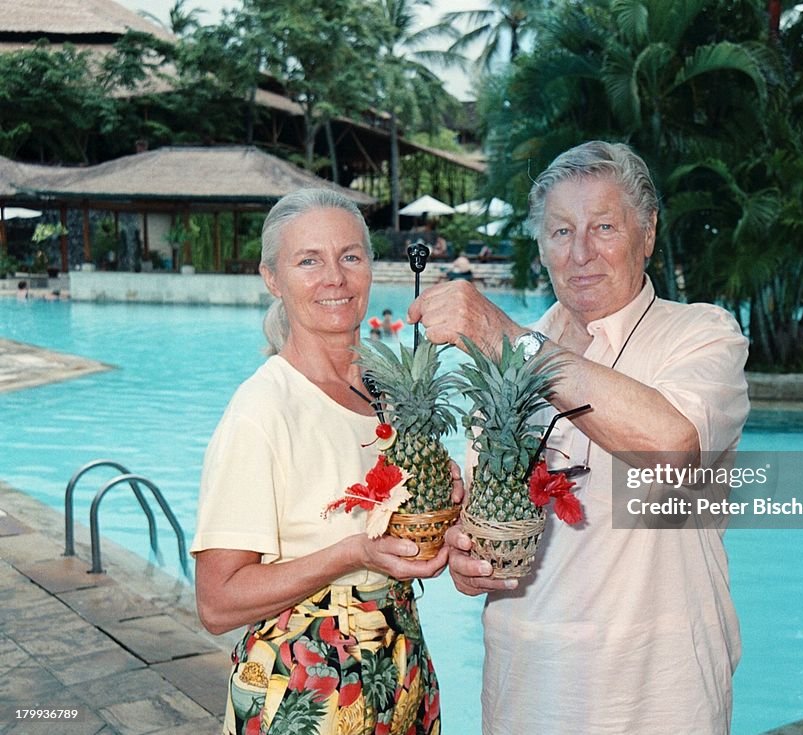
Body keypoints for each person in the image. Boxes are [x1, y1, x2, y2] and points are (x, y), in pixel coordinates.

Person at [408, 141, 750, 734]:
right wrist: (469, 557)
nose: (582, 252)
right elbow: (483, 523)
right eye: (561, 231)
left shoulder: (702, 334)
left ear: (647, 234)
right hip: (527, 689)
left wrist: (513, 341)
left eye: (605, 227)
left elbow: (671, 442)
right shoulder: (508, 353)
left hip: (663, 694)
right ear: (541, 247)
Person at [191, 188, 451, 735]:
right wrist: (351, 552)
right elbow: (216, 602)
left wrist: (448, 509)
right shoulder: (262, 412)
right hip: (304, 690)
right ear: (272, 278)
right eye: (308, 260)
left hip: (400, 673)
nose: (334, 277)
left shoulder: (391, 393)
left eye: (349, 256)